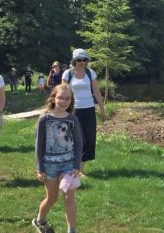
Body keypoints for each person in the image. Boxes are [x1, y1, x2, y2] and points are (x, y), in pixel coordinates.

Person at [33, 84, 83, 233]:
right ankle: (39, 220)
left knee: (69, 198)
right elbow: (39, 145)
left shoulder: (72, 119)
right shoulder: (44, 119)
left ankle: (72, 230)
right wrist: (40, 168)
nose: (64, 101)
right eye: (61, 97)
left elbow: (79, 143)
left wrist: (76, 165)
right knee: (52, 198)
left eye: (68, 98)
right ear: (54, 98)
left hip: (68, 164)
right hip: (49, 166)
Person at [62, 48, 106, 175]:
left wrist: (102, 110)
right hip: (74, 110)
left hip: (89, 109)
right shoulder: (67, 74)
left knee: (88, 138)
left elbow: (96, 92)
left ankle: (80, 169)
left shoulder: (90, 73)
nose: (82, 62)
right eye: (80, 60)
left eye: (84, 60)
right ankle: (71, 167)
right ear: (74, 61)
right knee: (75, 138)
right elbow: (62, 92)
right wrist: (60, 110)